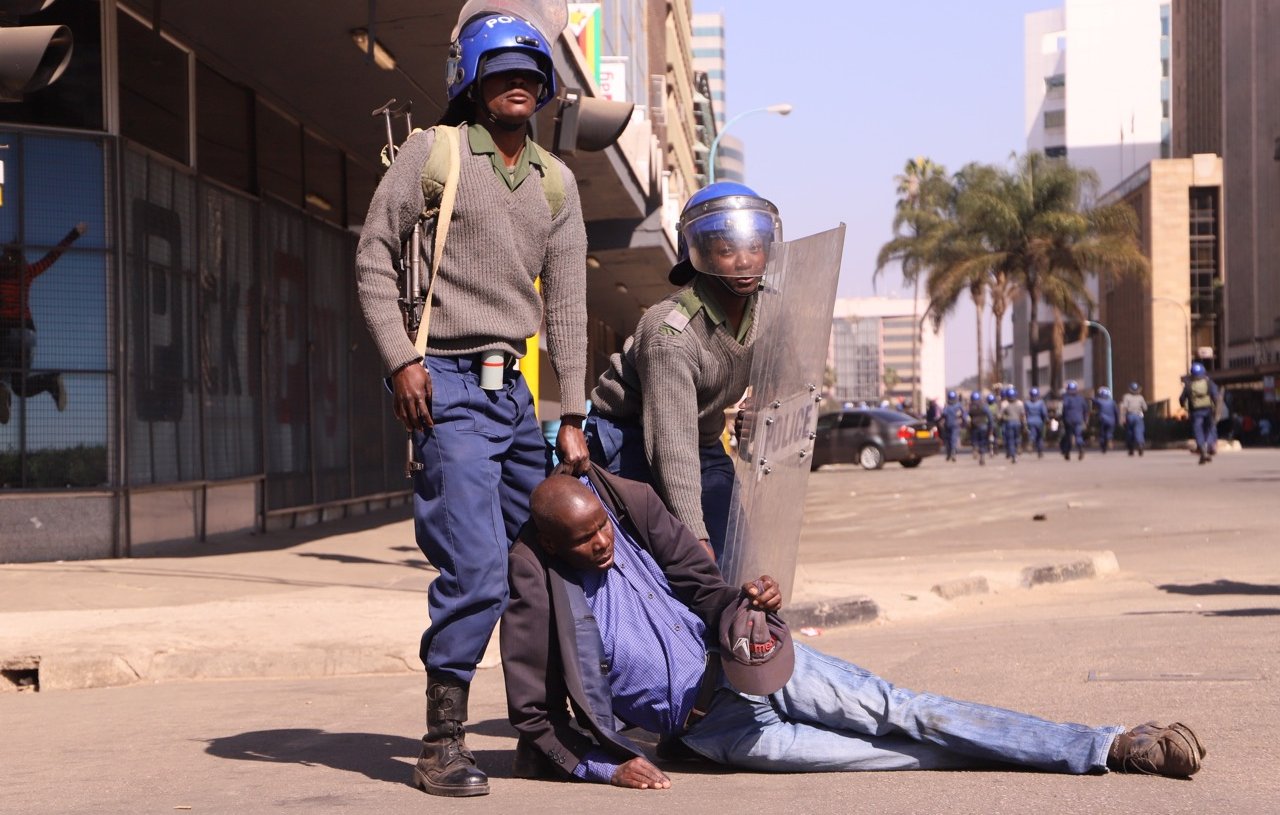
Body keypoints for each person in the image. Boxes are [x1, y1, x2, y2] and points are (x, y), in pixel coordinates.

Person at [501, 471, 1207, 787]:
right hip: (716, 730)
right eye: (586, 539)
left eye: (602, 526)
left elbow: (707, 589)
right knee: (899, 755)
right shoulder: (547, 598)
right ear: (555, 545)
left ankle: (1109, 744)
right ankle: (1066, 751)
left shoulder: (631, 522)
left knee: (911, 712)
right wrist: (604, 764)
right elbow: (534, 714)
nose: (604, 543)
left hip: (756, 664)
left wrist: (752, 604)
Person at [355, 10, 590, 798]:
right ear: (474, 81)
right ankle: (442, 741)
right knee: (478, 565)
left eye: (530, 72)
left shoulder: (557, 181)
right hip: (443, 386)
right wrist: (400, 363)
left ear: (547, 84)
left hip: (514, 395)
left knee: (547, 555)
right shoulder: (435, 153)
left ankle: (540, 726)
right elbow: (373, 260)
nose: (517, 84)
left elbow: (568, 307)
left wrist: (574, 415)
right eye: (501, 72)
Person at [585, 182, 781, 561]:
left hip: (704, 440)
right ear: (700, 255)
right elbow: (670, 445)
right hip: (629, 440)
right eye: (726, 251)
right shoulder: (670, 333)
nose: (744, 261)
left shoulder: (770, 311)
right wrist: (696, 537)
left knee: (735, 558)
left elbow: (786, 374)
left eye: (754, 247)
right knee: (662, 567)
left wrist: (762, 407)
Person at [0, 222, 87, 424]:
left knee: (3, 377)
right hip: (27, 334)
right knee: (20, 386)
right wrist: (74, 233)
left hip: (4, 332)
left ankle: (3, 393)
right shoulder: (27, 272)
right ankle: (50, 381)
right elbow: (52, 256)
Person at [1179, 362, 1220, 465]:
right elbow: (1215, 396)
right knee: (1210, 428)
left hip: (1195, 411)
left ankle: (1202, 448)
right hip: (1208, 409)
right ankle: (1210, 446)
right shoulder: (1209, 383)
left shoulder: (1189, 385)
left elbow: (1182, 399)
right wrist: (1216, 409)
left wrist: (1184, 406)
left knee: (1198, 430)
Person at [1059, 381, 1089, 461]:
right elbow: (1085, 410)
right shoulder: (1081, 398)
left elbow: (1063, 409)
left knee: (1068, 437)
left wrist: (1062, 418)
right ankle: (1081, 449)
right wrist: (1085, 420)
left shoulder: (1066, 398)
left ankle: (1067, 453)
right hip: (1079, 419)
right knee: (1078, 436)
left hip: (1068, 420)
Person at [998, 386, 1026, 463]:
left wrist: (1002, 418)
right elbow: (1023, 415)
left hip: (1009, 423)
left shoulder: (1005, 404)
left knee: (1010, 440)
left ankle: (1013, 455)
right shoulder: (1020, 403)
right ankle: (1018, 446)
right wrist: (1024, 424)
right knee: (1017, 437)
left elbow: (1000, 415)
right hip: (1018, 423)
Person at [1119, 382, 1148, 457]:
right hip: (1138, 416)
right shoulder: (1140, 397)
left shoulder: (1126, 396)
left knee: (1130, 432)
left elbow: (1124, 407)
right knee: (1139, 431)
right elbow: (1145, 408)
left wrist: (1122, 418)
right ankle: (1140, 444)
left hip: (1130, 416)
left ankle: (1131, 449)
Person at [939, 390, 966, 462]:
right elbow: (964, 415)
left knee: (948, 440)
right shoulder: (959, 405)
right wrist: (964, 423)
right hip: (956, 424)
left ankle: (949, 453)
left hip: (947, 424)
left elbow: (943, 415)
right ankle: (953, 452)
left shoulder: (947, 406)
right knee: (954, 439)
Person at [1092, 386, 1120, 454]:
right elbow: (1116, 412)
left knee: (1102, 433)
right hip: (1111, 420)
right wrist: (1117, 421)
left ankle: (1103, 446)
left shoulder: (1099, 401)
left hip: (1102, 420)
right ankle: (1109, 439)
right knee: (1109, 432)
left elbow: (1093, 400)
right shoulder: (1112, 402)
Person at [967, 391, 991, 466]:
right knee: (983, 442)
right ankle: (982, 457)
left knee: (975, 440)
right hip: (983, 426)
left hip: (974, 426)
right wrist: (991, 426)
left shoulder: (970, 407)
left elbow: (966, 417)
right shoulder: (984, 406)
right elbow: (989, 416)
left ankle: (975, 448)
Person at [1024, 387, 1049, 459]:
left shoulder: (1027, 403)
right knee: (1040, 437)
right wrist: (1046, 419)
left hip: (1030, 421)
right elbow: (1044, 413)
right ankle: (1040, 452)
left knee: (1032, 434)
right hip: (1039, 421)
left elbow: (1025, 413)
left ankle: (1031, 442)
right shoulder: (1041, 403)